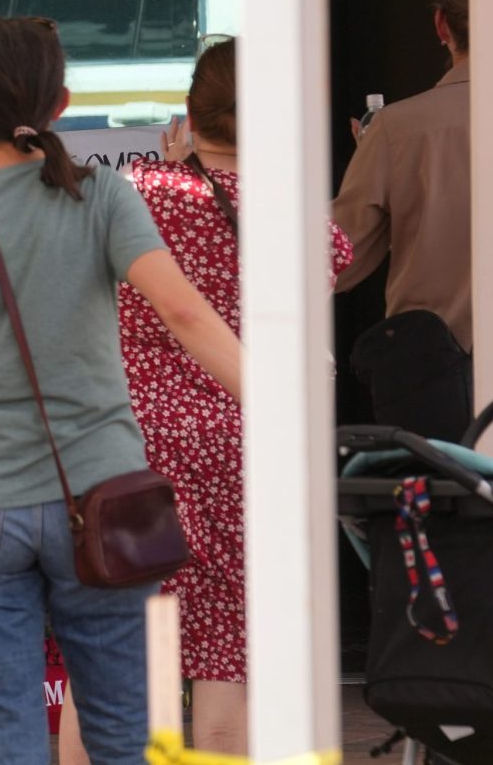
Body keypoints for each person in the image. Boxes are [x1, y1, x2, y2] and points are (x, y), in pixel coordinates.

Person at [0, 16, 242, 764]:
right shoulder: (103, 198)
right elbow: (183, 314)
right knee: (120, 733)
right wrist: (283, 408)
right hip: (100, 500)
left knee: (7, 733)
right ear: (62, 103)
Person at [100, 38, 353, 755]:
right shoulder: (294, 219)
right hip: (246, 446)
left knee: (132, 643)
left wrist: (175, 162)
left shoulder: (137, 194)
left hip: (137, 443)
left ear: (190, 110)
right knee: (225, 653)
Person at [333, 0, 471, 441]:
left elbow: (337, 260)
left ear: (441, 25)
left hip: (432, 382)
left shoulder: (396, 129)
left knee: (441, 492)